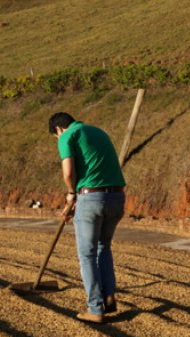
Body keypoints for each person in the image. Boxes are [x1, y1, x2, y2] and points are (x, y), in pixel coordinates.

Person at [49, 112, 126, 323]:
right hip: (117, 197)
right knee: (103, 247)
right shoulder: (98, 132)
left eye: (56, 137)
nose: (58, 140)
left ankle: (95, 308)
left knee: (87, 254)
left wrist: (72, 194)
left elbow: (68, 173)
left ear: (58, 129)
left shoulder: (67, 136)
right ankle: (108, 297)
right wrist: (76, 204)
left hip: (90, 197)